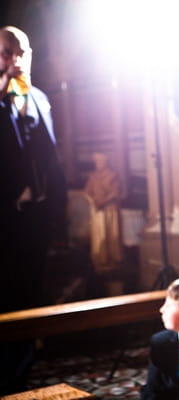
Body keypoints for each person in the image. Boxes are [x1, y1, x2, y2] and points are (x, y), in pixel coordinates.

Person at [0, 25, 67, 395]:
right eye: (7, 53)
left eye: (21, 52)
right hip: (5, 217)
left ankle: (21, 377)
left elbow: (51, 155)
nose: (15, 60)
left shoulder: (39, 97)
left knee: (30, 296)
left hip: (36, 219)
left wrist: (58, 208)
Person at [83, 152, 123, 274]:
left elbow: (115, 192)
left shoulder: (112, 175)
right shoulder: (93, 176)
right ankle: (100, 261)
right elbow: (86, 192)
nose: (98, 163)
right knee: (99, 236)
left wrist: (104, 202)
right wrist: (92, 201)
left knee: (111, 235)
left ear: (105, 162)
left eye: (101, 161)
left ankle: (112, 261)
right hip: (97, 212)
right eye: (97, 161)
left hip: (110, 210)